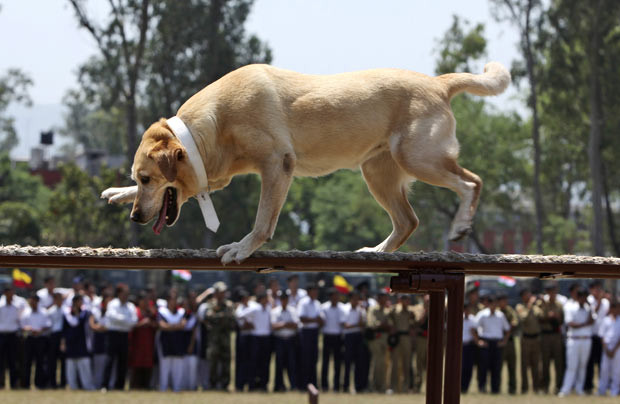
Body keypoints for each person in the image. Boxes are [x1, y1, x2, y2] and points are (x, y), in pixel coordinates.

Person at [559, 288, 594, 397]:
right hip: (574, 339)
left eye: (586, 297)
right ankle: (566, 389)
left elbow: (592, 320)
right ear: (578, 297)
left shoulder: (588, 308)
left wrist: (590, 309)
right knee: (572, 366)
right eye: (582, 297)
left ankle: (580, 389)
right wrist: (584, 324)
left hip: (586, 339)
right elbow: (570, 323)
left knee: (583, 366)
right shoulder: (570, 307)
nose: (584, 299)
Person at [102, 283, 138, 390]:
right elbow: (111, 317)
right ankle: (105, 385)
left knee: (123, 362)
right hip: (113, 335)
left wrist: (121, 320)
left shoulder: (130, 306)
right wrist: (125, 320)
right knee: (109, 360)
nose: (126, 295)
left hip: (124, 336)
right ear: (119, 293)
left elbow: (133, 321)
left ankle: (120, 386)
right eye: (124, 293)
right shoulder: (113, 304)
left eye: (127, 293)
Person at [473, 294, 510, 394]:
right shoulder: (482, 314)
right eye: (491, 304)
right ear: (488, 304)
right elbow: (473, 328)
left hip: (497, 343)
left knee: (496, 367)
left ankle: (495, 389)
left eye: (495, 304)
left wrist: (504, 341)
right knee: (483, 367)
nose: (493, 306)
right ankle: (482, 387)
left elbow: (507, 329)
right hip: (486, 342)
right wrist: (478, 341)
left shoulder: (500, 315)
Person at [204, 281, 235, 390]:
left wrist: (219, 317)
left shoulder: (229, 305)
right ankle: (213, 384)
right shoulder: (210, 304)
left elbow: (232, 319)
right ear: (216, 293)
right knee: (213, 363)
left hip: (225, 338)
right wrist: (222, 317)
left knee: (226, 362)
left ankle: (225, 384)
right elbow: (209, 317)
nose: (223, 294)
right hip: (214, 339)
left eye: (224, 292)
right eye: (221, 292)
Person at [62, 295, 95, 390]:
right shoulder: (67, 314)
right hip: (71, 344)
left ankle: (88, 386)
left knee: (85, 366)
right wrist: (63, 343)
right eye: (77, 301)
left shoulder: (86, 313)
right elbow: (64, 330)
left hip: (82, 344)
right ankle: (72, 386)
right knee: (71, 368)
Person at [20, 293, 51, 389]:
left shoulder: (44, 312)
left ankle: (39, 384)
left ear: (37, 301)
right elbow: (22, 326)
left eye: (33, 300)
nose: (32, 302)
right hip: (29, 339)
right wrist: (28, 329)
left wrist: (39, 330)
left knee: (40, 362)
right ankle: (26, 384)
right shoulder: (26, 312)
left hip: (40, 339)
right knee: (27, 361)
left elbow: (48, 325)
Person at [515, 289, 543, 394]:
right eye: (527, 295)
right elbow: (523, 318)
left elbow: (542, 316)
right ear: (523, 296)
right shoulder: (520, 307)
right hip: (525, 339)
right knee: (524, 365)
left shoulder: (536, 307)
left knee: (536, 365)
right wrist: (530, 305)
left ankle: (536, 388)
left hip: (536, 339)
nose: (530, 296)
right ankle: (524, 388)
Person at [157, 293, 186, 392]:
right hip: (166, 343)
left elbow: (183, 325)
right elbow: (162, 326)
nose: (174, 302)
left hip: (178, 343)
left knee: (177, 367)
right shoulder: (162, 312)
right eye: (172, 299)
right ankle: (163, 388)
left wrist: (170, 326)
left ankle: (177, 388)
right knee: (165, 367)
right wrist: (175, 326)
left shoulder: (181, 312)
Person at [584, 280, 609, 393]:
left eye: (599, 289)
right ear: (591, 290)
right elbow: (594, 313)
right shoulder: (589, 301)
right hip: (590, 335)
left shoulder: (606, 302)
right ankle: (589, 386)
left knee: (601, 363)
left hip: (601, 336)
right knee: (589, 363)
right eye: (596, 289)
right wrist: (598, 301)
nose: (598, 291)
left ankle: (602, 386)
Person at [271, 290, 298, 392]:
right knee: (279, 364)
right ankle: (279, 386)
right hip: (279, 340)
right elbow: (274, 326)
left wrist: (282, 324)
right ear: (280, 300)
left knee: (291, 363)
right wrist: (286, 324)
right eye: (282, 299)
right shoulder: (275, 311)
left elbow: (295, 325)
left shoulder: (293, 310)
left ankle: (293, 385)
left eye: (286, 299)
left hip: (290, 340)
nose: (284, 301)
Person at [128, 291, 157, 390]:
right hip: (137, 344)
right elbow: (130, 325)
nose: (146, 302)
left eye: (147, 300)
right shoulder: (134, 311)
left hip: (148, 344)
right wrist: (142, 323)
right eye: (144, 300)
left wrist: (152, 321)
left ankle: (146, 386)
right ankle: (135, 386)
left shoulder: (150, 313)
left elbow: (156, 325)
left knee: (147, 365)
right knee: (136, 365)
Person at [540, 282, 565, 394]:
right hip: (545, 335)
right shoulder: (542, 304)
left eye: (553, 291)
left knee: (558, 363)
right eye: (549, 291)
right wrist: (547, 316)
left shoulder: (559, 305)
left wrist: (556, 316)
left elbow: (562, 321)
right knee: (545, 363)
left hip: (556, 335)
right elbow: (539, 318)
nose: (552, 293)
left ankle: (558, 386)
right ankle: (545, 387)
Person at [245, 292, 272, 391]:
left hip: (266, 338)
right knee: (254, 362)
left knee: (265, 363)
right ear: (261, 300)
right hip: (256, 338)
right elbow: (240, 315)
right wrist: (249, 323)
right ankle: (252, 385)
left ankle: (264, 385)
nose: (267, 300)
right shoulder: (255, 309)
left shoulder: (268, 309)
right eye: (265, 298)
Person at [298, 283, 323, 389]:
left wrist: (317, 320)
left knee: (314, 358)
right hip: (306, 332)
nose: (316, 293)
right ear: (308, 292)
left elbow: (321, 319)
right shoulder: (303, 303)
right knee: (305, 358)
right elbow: (302, 318)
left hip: (314, 332)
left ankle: (313, 382)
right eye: (314, 290)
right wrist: (314, 320)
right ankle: (304, 383)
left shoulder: (317, 303)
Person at [389, 294, 415, 393]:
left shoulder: (411, 312)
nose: (406, 301)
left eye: (407, 300)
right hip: (397, 337)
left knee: (407, 363)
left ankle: (406, 386)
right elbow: (389, 318)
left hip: (407, 338)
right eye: (404, 299)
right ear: (400, 300)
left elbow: (413, 324)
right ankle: (393, 387)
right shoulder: (394, 310)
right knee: (394, 363)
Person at [320, 288, 345, 392]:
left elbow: (343, 322)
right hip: (327, 336)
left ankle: (336, 386)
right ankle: (324, 386)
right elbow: (321, 321)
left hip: (338, 337)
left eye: (337, 296)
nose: (336, 298)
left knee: (337, 363)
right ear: (330, 297)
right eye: (334, 296)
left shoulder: (342, 308)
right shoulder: (324, 307)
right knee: (325, 362)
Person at [342, 291, 365, 393]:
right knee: (347, 362)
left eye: (357, 299)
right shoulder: (344, 309)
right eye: (354, 298)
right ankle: (346, 386)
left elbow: (362, 325)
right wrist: (356, 325)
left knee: (359, 363)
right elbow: (345, 325)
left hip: (358, 337)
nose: (356, 301)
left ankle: (358, 386)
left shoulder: (361, 310)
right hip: (348, 337)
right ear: (350, 299)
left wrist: (355, 324)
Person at [367, 291, 390, 393]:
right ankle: (374, 386)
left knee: (385, 364)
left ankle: (383, 386)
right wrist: (382, 325)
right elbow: (371, 324)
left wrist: (384, 325)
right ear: (379, 299)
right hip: (376, 338)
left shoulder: (387, 310)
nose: (385, 300)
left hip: (385, 338)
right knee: (377, 363)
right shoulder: (372, 310)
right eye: (383, 298)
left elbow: (392, 324)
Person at [597, 299, 620, 397]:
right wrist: (607, 349)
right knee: (604, 369)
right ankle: (601, 390)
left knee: (616, 370)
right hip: (606, 348)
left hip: (617, 348)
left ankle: (614, 391)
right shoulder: (606, 320)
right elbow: (602, 336)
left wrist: (614, 349)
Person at [234, 289, 254, 391]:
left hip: (251, 337)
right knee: (242, 362)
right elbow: (244, 326)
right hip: (243, 338)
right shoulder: (239, 310)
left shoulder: (251, 307)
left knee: (251, 362)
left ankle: (251, 384)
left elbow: (253, 324)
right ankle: (240, 385)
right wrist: (250, 324)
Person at [0, 287, 20, 390]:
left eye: (12, 292)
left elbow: (19, 320)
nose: (11, 294)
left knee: (13, 360)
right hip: (2, 335)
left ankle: (14, 383)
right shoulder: (0, 306)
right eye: (9, 292)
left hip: (13, 335)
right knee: (1, 361)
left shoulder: (16, 307)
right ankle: (1, 383)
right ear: (5, 293)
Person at [498, 292, 518, 395]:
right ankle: (497, 387)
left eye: (506, 301)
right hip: (500, 341)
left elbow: (515, 322)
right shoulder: (497, 312)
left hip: (510, 342)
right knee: (498, 366)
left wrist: (507, 328)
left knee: (512, 366)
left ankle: (512, 388)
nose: (505, 303)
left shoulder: (509, 310)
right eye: (503, 301)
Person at [45, 292, 65, 389]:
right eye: (57, 299)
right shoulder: (50, 311)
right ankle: (52, 382)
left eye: (60, 299)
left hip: (63, 336)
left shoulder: (65, 310)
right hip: (53, 336)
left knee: (63, 361)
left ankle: (63, 383)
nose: (59, 301)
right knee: (52, 361)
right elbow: (48, 326)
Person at [412, 294, 429, 392]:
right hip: (421, 339)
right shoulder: (418, 308)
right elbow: (418, 322)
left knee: (431, 364)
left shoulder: (439, 307)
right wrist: (426, 310)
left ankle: (430, 386)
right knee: (419, 363)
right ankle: (417, 386)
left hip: (433, 339)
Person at [461, 303, 477, 393]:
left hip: (470, 346)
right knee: (461, 367)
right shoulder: (458, 318)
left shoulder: (473, 319)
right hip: (461, 345)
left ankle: (465, 387)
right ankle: (459, 386)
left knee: (469, 367)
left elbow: (476, 331)